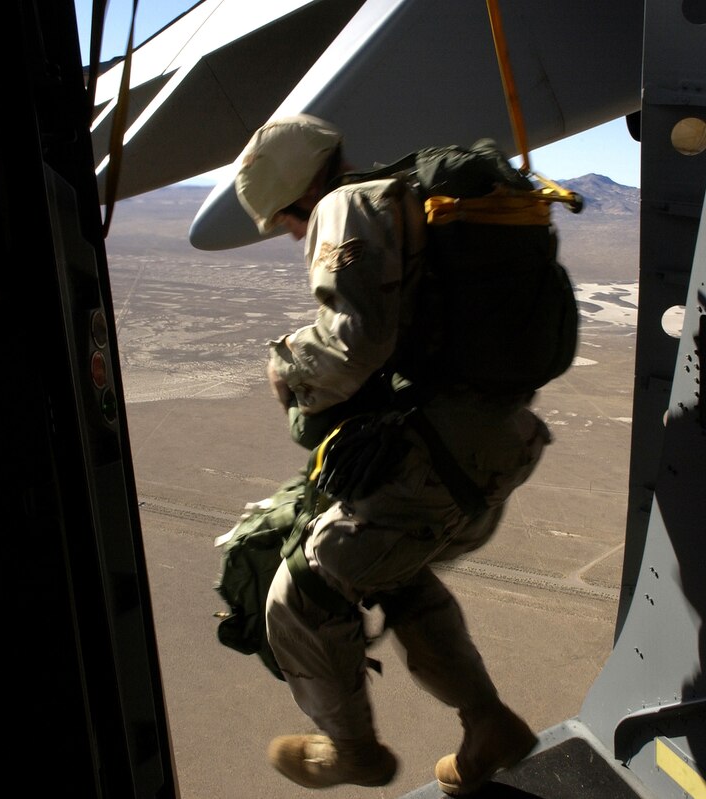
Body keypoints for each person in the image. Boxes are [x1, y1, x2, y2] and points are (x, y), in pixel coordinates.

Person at [232, 114, 549, 794]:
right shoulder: (403, 197)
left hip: (446, 452)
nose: (291, 233)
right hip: (498, 441)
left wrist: (285, 361)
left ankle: (351, 752)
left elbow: (356, 344)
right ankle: (488, 723)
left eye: (285, 220)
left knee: (305, 588)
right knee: (392, 574)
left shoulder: (346, 206)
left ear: (294, 194)